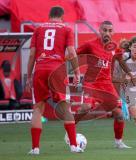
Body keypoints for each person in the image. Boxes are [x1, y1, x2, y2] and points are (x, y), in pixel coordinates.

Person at [26, 6, 82, 155]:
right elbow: (71, 51)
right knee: (65, 107)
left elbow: (32, 55)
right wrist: (77, 72)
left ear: (49, 16)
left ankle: (35, 149)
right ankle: (74, 146)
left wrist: (29, 76)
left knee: (38, 109)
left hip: (40, 69)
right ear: (62, 16)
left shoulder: (38, 29)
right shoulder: (66, 29)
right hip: (57, 70)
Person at [75, 21, 131, 149]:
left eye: (110, 30)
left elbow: (121, 63)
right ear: (99, 30)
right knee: (85, 107)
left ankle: (119, 142)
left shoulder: (115, 47)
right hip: (91, 83)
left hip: (106, 85)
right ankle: (70, 128)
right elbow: (74, 54)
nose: (107, 33)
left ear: (113, 32)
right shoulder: (90, 44)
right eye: (104, 30)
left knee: (119, 114)